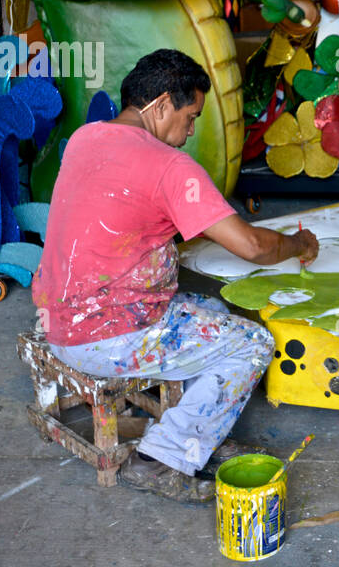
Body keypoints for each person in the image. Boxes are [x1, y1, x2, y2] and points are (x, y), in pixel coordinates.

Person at [32, 49, 319, 503]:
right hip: (108, 337)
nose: (187, 135)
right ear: (161, 104)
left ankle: (196, 432)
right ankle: (160, 460)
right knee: (252, 343)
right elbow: (253, 246)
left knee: (213, 310)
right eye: (189, 118)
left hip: (58, 322)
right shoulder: (169, 166)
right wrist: (300, 244)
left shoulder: (86, 138)